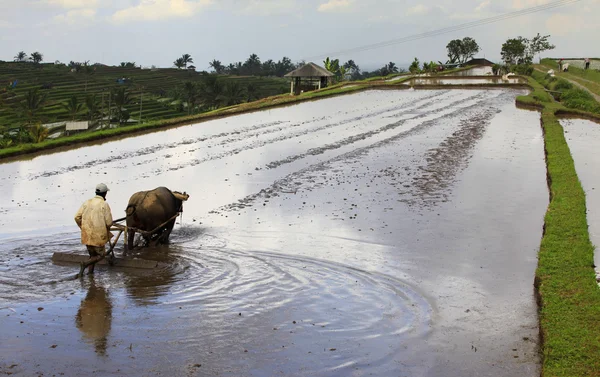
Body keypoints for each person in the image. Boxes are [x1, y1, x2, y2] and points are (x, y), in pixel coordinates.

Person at [74, 183, 113, 276]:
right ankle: (85, 264)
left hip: (86, 234)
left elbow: (77, 217)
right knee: (101, 255)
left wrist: (83, 227)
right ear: (105, 194)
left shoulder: (87, 202)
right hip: (98, 236)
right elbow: (109, 223)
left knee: (92, 256)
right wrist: (106, 227)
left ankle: (90, 273)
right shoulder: (104, 204)